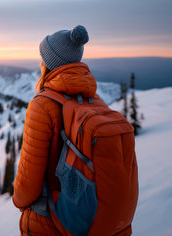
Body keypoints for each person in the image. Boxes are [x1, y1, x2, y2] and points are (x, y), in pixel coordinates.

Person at [12, 25, 136, 235]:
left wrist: (19, 201)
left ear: (50, 64)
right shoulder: (95, 101)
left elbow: (27, 188)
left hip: (58, 222)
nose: (40, 62)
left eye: (42, 58)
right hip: (101, 223)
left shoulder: (42, 105)